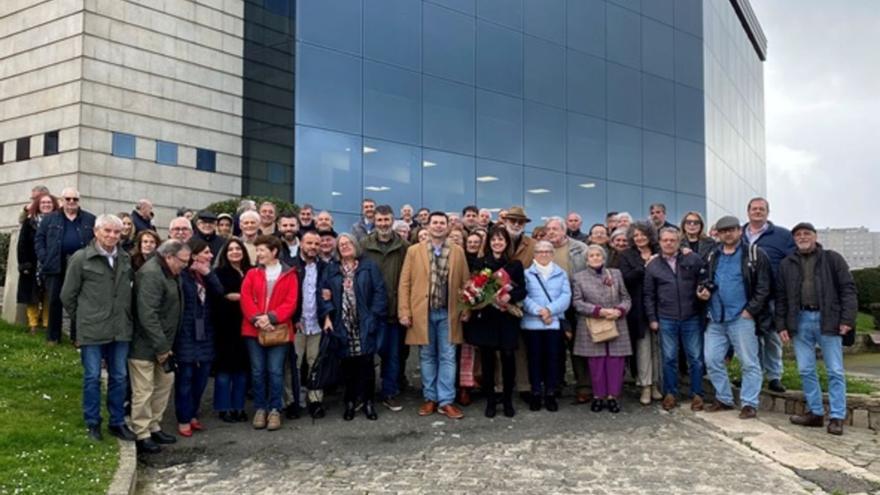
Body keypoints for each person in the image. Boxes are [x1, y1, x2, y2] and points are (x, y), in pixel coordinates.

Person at [60, 214, 136, 442]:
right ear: (96, 232)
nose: (112, 236)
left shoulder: (124, 258)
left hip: (120, 328)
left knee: (120, 377)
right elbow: (67, 296)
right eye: (107, 231)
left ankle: (117, 421)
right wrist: (83, 319)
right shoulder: (81, 258)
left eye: (116, 232)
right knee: (92, 377)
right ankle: (93, 422)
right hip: (92, 329)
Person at [777, 223, 857, 436]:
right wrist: (781, 324)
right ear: (794, 239)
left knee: (835, 371)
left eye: (807, 233)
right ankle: (815, 413)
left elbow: (848, 289)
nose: (802, 237)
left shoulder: (832, 259)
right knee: (805, 369)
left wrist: (847, 319)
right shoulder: (787, 264)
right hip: (800, 320)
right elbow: (781, 297)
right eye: (798, 235)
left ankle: (837, 417)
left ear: (815, 236)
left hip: (828, 319)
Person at [398, 211, 470, 419]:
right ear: (427, 226)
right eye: (435, 222)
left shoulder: (457, 251)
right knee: (427, 356)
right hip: (423, 313)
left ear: (448, 227)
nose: (438, 226)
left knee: (448, 357)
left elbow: (466, 283)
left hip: (448, 313)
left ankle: (446, 401)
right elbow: (405, 283)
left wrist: (466, 309)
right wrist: (404, 311)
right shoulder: (414, 251)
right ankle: (430, 398)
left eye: (442, 223)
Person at [699, 216, 771, 419]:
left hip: (742, 317)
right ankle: (724, 398)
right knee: (711, 359)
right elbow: (705, 279)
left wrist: (751, 310)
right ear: (718, 234)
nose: (727, 234)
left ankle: (749, 403)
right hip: (715, 318)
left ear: (740, 231)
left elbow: (764, 286)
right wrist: (702, 291)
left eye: (731, 230)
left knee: (749, 362)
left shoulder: (754, 254)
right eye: (723, 231)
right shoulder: (712, 255)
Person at [129, 240, 190, 454]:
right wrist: (162, 348)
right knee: (144, 390)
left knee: (163, 386)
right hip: (145, 346)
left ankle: (154, 425)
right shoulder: (151, 274)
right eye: (182, 261)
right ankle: (142, 432)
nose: (186, 265)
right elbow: (148, 315)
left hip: (166, 344)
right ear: (169, 257)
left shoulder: (172, 273)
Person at [321, 234, 387, 420]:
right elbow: (323, 294)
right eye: (341, 245)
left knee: (366, 363)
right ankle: (350, 402)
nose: (344, 247)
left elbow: (379, 292)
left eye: (348, 243)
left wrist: (373, 316)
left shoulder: (368, 266)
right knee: (348, 365)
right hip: (342, 323)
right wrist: (327, 317)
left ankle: (368, 402)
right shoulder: (331, 269)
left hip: (364, 322)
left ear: (355, 245)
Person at [465, 227, 526, 418]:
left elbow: (523, 290)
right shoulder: (481, 262)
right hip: (487, 316)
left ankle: (507, 400)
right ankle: (491, 401)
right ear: (489, 242)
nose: (497, 243)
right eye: (494, 240)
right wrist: (479, 295)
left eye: (501, 240)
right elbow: (474, 288)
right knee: (488, 359)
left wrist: (510, 296)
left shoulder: (514, 264)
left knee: (508, 357)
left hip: (506, 316)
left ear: (507, 242)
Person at [644, 227, 706, 411]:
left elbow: (703, 280)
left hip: (691, 316)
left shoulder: (692, 259)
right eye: (665, 240)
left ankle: (697, 394)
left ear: (679, 242)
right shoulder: (653, 265)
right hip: (666, 317)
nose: (669, 243)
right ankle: (670, 393)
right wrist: (652, 318)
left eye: (672, 240)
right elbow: (649, 295)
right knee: (669, 357)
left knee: (695, 358)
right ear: (660, 242)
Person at [240, 235, 298, 431]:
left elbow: (290, 302)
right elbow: (246, 298)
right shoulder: (252, 273)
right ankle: (260, 408)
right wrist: (258, 318)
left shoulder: (290, 274)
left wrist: (271, 318)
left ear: (274, 251)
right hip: (253, 329)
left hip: (278, 330)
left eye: (262, 250)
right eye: (257, 251)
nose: (259, 254)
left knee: (275, 371)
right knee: (257, 372)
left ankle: (274, 409)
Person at [744, 197, 796, 393]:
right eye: (754, 209)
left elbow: (792, 263)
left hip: (772, 295)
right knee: (749, 338)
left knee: (772, 337)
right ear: (748, 212)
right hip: (745, 296)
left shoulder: (782, 236)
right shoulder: (739, 234)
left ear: (767, 212)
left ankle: (774, 376)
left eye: (762, 209)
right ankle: (753, 374)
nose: (758, 212)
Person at [572, 245, 632, 414]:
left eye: (599, 255)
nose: (596, 257)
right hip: (593, 323)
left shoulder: (615, 274)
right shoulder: (579, 277)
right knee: (596, 362)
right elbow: (577, 302)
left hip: (616, 321)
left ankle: (613, 397)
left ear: (604, 258)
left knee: (615, 361)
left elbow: (626, 298)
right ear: (586, 259)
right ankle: (598, 396)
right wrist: (598, 311)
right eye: (592, 255)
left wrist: (619, 310)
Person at [360, 205, 409, 412]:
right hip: (369, 311)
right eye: (379, 220)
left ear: (393, 220)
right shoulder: (364, 245)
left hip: (394, 310)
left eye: (387, 220)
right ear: (374, 220)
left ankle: (389, 392)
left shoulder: (404, 246)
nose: (383, 224)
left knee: (392, 356)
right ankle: (365, 394)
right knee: (366, 355)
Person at [174, 239, 223, 438]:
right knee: (185, 378)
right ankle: (183, 418)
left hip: (206, 333)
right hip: (186, 333)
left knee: (202, 378)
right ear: (194, 255)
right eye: (206, 252)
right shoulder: (182, 275)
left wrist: (208, 274)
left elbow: (219, 293)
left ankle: (193, 413)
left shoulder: (208, 275)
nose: (210, 255)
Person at [35, 187, 96, 344]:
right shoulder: (50, 219)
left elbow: (97, 241)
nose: (71, 202)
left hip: (81, 266)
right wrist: (44, 258)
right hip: (56, 264)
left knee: (79, 301)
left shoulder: (90, 219)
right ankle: (53, 337)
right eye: (67, 199)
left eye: (74, 199)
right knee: (55, 300)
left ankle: (77, 337)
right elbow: (39, 240)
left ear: (78, 201)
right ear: (61, 201)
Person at [521, 240, 571, 412]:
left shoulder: (561, 273)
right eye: (540, 251)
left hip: (553, 324)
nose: (543, 254)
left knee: (552, 360)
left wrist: (549, 310)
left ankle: (550, 393)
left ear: (552, 254)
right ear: (534, 254)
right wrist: (540, 312)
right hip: (532, 324)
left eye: (547, 251)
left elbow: (566, 297)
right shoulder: (526, 274)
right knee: (534, 360)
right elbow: (523, 297)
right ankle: (535, 392)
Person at [544, 216, 589, 402]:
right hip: (551, 305)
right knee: (555, 347)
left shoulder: (580, 248)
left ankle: (584, 386)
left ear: (564, 230)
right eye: (549, 229)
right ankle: (556, 383)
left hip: (575, 303)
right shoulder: (542, 249)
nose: (552, 232)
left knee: (578, 347)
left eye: (555, 228)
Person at [618, 221, 661, 405]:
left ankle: (655, 385)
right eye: (635, 235)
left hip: (661, 305)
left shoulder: (660, 252)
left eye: (642, 234)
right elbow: (625, 278)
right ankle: (645, 385)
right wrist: (644, 267)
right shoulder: (627, 255)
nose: (639, 238)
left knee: (658, 349)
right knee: (643, 349)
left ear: (650, 235)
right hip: (638, 308)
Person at [287, 231, 327, 419]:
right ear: (301, 244)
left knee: (316, 363)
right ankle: (292, 401)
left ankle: (315, 400)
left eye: (316, 244)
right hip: (297, 324)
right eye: (309, 243)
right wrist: (293, 318)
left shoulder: (325, 267)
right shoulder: (290, 266)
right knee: (293, 364)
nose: (313, 247)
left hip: (317, 324)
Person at [213, 238, 252, 423]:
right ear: (225, 253)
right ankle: (224, 407)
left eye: (238, 249)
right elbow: (220, 296)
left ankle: (239, 407)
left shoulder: (251, 271)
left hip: (247, 326)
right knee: (224, 371)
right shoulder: (219, 273)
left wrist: (241, 297)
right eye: (231, 249)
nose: (235, 252)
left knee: (242, 371)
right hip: (225, 327)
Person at [502, 206, 536, 400]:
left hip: (523, 299)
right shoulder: (495, 239)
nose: (516, 224)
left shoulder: (531, 244)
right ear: (505, 221)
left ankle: (524, 386)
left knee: (522, 346)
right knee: (499, 347)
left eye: (520, 222)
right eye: (512, 220)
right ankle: (499, 388)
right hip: (497, 300)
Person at [17, 193, 57, 334]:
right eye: (43, 203)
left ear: (54, 205)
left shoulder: (58, 221)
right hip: (33, 263)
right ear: (38, 205)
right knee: (32, 295)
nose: (46, 205)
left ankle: (47, 323)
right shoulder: (30, 222)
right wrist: (24, 263)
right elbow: (22, 244)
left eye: (49, 202)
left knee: (49, 294)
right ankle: (33, 324)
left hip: (51, 262)